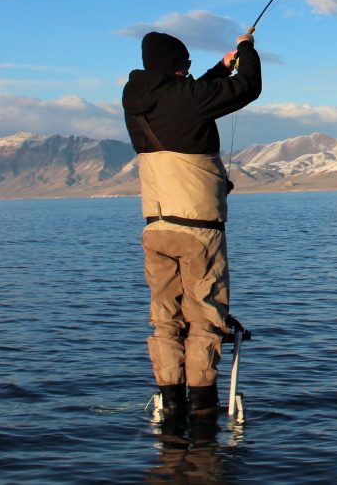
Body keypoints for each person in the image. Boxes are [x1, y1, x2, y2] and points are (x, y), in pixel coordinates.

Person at [122, 29, 262, 421]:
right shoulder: (182, 98)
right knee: (205, 321)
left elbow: (185, 100)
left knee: (166, 321)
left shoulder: (136, 100)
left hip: (156, 230)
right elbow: (249, 87)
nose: (187, 71)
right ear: (174, 66)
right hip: (198, 233)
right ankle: (202, 412)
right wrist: (247, 51)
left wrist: (219, 68)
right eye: (184, 65)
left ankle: (169, 403)